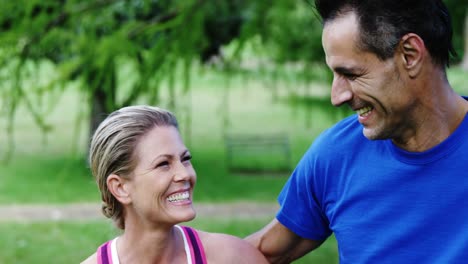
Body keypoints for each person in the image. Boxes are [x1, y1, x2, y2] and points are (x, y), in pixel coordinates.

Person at [246, 0, 468, 263]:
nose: (336, 96)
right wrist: (186, 250)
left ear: (410, 54)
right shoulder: (335, 155)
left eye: (350, 74)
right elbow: (265, 253)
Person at [81, 105, 268, 264]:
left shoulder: (233, 257)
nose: (185, 174)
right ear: (120, 188)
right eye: (163, 164)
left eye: (185, 159)